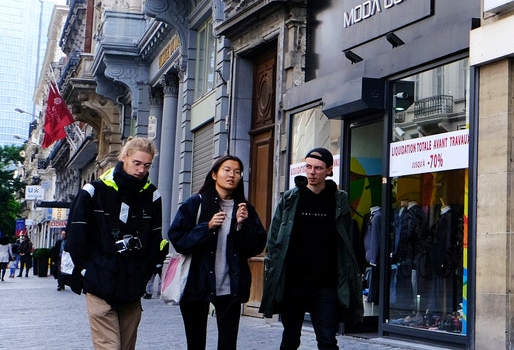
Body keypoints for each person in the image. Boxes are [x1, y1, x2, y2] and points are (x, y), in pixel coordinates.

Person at [261, 147, 363, 349]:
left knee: (327, 340)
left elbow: (348, 241)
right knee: (290, 337)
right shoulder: (291, 199)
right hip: (293, 282)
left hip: (326, 284)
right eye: (308, 166)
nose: (311, 172)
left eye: (317, 168)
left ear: (328, 170)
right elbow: (274, 238)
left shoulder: (339, 200)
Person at [67, 136, 163, 350]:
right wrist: (86, 271)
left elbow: (155, 238)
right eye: (137, 163)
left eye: (146, 165)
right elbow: (76, 236)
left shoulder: (152, 195)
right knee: (109, 347)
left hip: (132, 285)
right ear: (124, 158)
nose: (141, 169)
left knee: (126, 347)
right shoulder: (93, 191)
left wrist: (146, 271)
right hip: (99, 282)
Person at [167, 155, 267, 350]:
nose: (232, 175)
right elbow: (178, 239)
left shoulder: (244, 209)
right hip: (196, 285)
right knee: (195, 344)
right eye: (227, 170)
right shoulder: (196, 203)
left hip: (230, 287)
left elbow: (256, 246)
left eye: (237, 172)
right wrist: (207, 227)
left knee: (228, 344)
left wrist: (240, 226)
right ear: (214, 174)